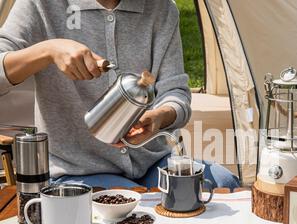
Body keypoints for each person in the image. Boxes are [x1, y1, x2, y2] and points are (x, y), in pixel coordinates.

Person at [0, 0, 240, 190]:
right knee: (134, 211)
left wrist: (159, 117)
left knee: (224, 182)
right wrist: (48, 50)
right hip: (78, 173)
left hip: (153, 163)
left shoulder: (161, 9)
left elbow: (175, 92)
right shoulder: (40, 4)